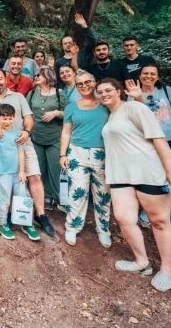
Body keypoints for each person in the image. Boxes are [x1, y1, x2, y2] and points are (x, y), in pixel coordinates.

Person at [97, 78, 171, 292]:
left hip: (147, 171)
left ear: (119, 91)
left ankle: (167, 269)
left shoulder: (134, 107)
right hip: (120, 175)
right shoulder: (111, 116)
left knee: (159, 221)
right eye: (100, 91)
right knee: (124, 218)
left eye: (108, 90)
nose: (103, 94)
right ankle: (141, 261)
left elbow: (159, 139)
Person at [0, 68, 55, 238]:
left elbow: (28, 117)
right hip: (2, 146)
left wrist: (27, 132)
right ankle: (10, 219)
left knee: (33, 176)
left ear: (5, 79)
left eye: (0, 79)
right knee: (8, 187)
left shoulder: (18, 97)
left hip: (22, 141)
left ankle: (40, 215)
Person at [126, 65, 171, 232]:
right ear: (139, 76)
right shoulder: (133, 94)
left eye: (152, 74)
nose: (148, 76)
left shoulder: (167, 90)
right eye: (145, 73)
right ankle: (148, 211)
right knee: (150, 175)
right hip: (147, 141)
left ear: (157, 76)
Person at [59, 71, 111, 248]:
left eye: (87, 82)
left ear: (94, 82)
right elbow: (66, 131)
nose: (84, 86)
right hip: (77, 153)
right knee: (78, 192)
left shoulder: (105, 104)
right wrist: (63, 154)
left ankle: (103, 229)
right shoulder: (71, 107)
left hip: (102, 153)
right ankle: (72, 227)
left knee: (103, 194)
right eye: (80, 84)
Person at [0, 103, 32, 240]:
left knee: (22, 196)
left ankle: (25, 223)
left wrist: (22, 171)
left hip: (17, 172)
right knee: (4, 200)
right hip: (3, 172)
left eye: (10, 118)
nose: (7, 122)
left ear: (14, 118)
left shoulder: (18, 133)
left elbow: (21, 153)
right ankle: (2, 223)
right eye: (4, 118)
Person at [27, 66, 68, 210]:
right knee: (39, 168)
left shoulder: (59, 93)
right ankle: (44, 197)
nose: (36, 77)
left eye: (40, 75)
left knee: (55, 167)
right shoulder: (32, 94)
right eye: (36, 75)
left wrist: (56, 113)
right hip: (36, 136)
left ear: (48, 76)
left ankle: (57, 197)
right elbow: (27, 113)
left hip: (54, 136)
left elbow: (67, 114)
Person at [54, 13, 96, 85]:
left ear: (74, 43)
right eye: (65, 43)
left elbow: (92, 42)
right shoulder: (59, 62)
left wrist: (84, 26)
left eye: (70, 42)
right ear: (62, 46)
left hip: (86, 85)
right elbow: (58, 80)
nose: (68, 45)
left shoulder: (82, 54)